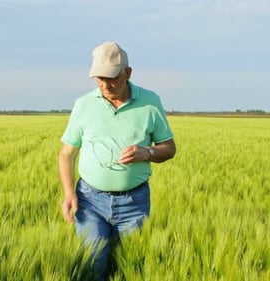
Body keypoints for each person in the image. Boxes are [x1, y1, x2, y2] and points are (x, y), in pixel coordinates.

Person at [58, 41, 176, 280]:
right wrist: (69, 193)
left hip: (134, 204)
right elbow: (66, 154)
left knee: (130, 269)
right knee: (92, 268)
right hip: (90, 202)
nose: (105, 85)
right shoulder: (84, 105)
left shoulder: (150, 102)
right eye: (99, 78)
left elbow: (169, 148)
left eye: (111, 78)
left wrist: (148, 153)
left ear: (128, 73)